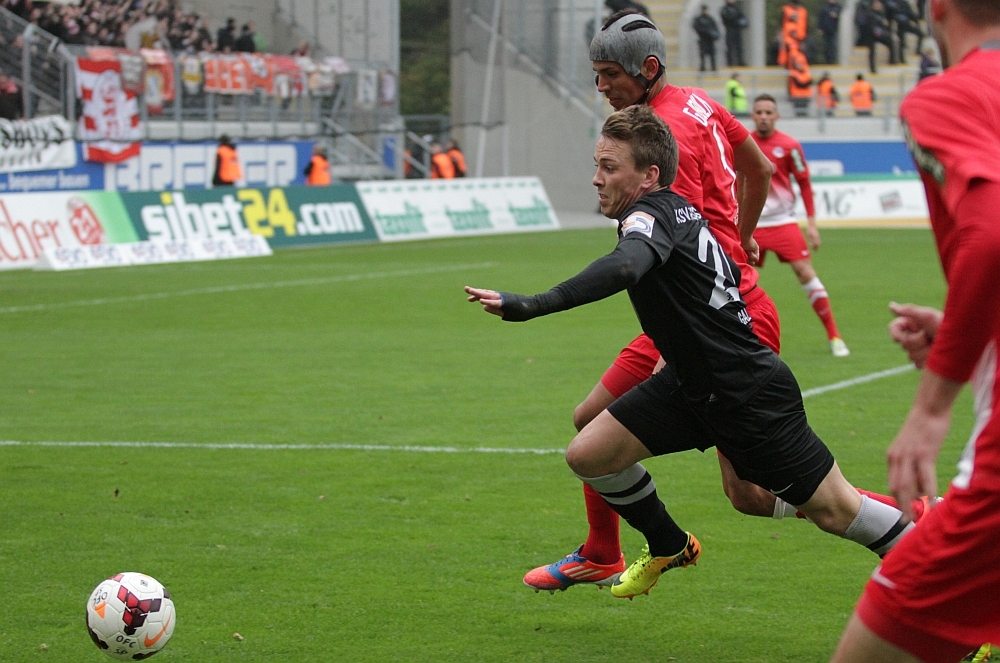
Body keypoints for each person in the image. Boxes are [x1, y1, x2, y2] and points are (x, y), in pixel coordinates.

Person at [523, 10, 916, 594]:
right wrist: (743, 235)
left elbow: (656, 246)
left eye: (610, 74)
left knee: (752, 494)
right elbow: (758, 167)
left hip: (719, 318)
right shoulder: (697, 103)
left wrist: (668, 342)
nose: (600, 86)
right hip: (701, 307)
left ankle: (910, 522)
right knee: (592, 430)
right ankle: (605, 550)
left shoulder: (662, 143)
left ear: (647, 68)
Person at [830, 0, 1000, 659]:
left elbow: (991, 235)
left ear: (937, 8)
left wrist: (932, 406)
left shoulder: (948, 96)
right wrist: (969, 331)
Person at [750, 94, 849, 357]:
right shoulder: (742, 143)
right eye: (759, 112)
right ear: (753, 115)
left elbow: (804, 183)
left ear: (777, 116)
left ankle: (834, 336)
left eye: (768, 112)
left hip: (783, 222)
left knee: (805, 272)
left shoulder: (789, 146)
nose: (763, 117)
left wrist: (812, 224)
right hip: (751, 223)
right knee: (735, 279)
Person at [719, 0, 748, 66]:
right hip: (730, 30)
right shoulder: (725, 9)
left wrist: (742, 22)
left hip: (737, 30)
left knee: (739, 47)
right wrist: (737, 22)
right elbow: (728, 19)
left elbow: (743, 17)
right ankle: (730, 63)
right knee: (730, 47)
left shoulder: (737, 9)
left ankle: (740, 62)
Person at [787, 46, 814, 117]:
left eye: (801, 63)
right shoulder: (794, 73)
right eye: (798, 63)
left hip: (805, 95)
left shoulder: (805, 72)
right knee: (798, 113)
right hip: (797, 95)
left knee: (805, 112)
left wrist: (804, 81)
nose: (799, 65)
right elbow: (800, 83)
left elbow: (810, 82)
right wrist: (804, 81)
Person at [692, 5, 720, 72]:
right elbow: (696, 27)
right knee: (702, 54)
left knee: (712, 54)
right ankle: (702, 68)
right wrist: (706, 32)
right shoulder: (698, 19)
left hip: (710, 40)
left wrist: (714, 34)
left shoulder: (710, 19)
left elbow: (715, 28)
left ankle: (713, 68)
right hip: (703, 39)